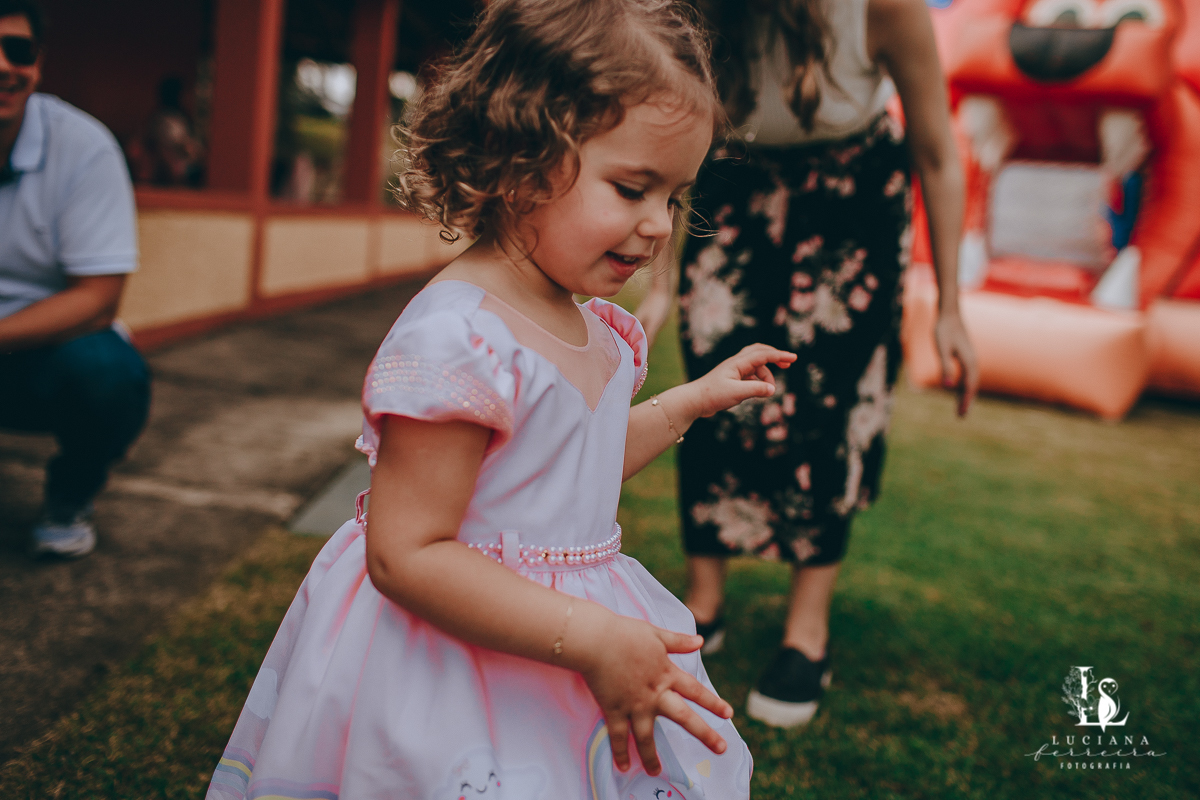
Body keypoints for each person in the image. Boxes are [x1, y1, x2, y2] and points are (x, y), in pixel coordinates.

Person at [206, 1, 795, 798]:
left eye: (674, 196)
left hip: (558, 646)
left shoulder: (591, 327)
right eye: (631, 188)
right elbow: (405, 552)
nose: (658, 226)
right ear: (520, 160)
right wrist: (590, 637)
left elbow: (569, 472)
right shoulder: (460, 340)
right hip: (450, 664)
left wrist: (686, 403)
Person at [634, 0, 979, 728]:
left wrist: (950, 306)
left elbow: (939, 154)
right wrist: (660, 280)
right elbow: (677, 133)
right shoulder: (703, 10)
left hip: (851, 200)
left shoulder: (884, 10)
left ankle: (806, 629)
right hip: (735, 186)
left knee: (828, 405)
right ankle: (705, 601)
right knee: (713, 390)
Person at [0, 0, 150, 558]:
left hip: (40, 353)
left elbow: (96, 301)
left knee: (109, 375)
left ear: (38, 62)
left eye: (19, 50)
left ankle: (70, 497)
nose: (4, 65)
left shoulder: (82, 147)